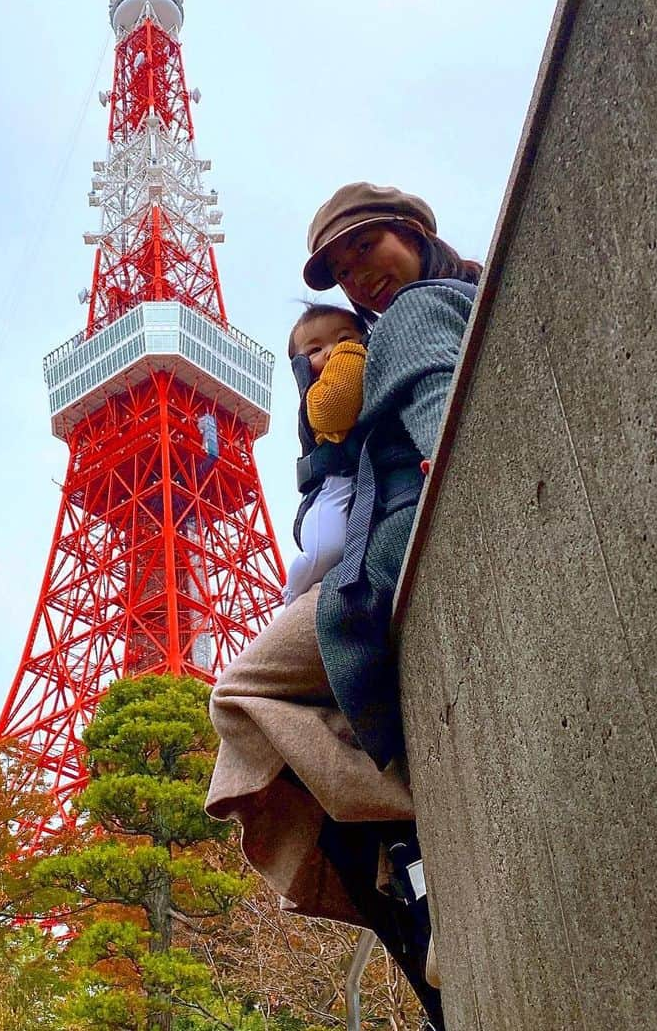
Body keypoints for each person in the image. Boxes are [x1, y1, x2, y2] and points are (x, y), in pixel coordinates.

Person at [206, 182, 481, 1028]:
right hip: (381, 548)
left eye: (367, 247)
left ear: (413, 232)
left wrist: (451, 470)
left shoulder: (413, 315)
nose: (357, 274)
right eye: (341, 266)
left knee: (238, 694)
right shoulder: (435, 307)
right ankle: (413, 876)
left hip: (390, 550)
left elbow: (442, 398)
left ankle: (406, 817)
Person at [283, 303, 369, 606]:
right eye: (316, 349)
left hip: (363, 487)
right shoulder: (316, 397)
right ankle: (293, 594)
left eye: (345, 339)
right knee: (327, 549)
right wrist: (349, 351)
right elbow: (334, 408)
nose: (332, 351)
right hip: (331, 489)